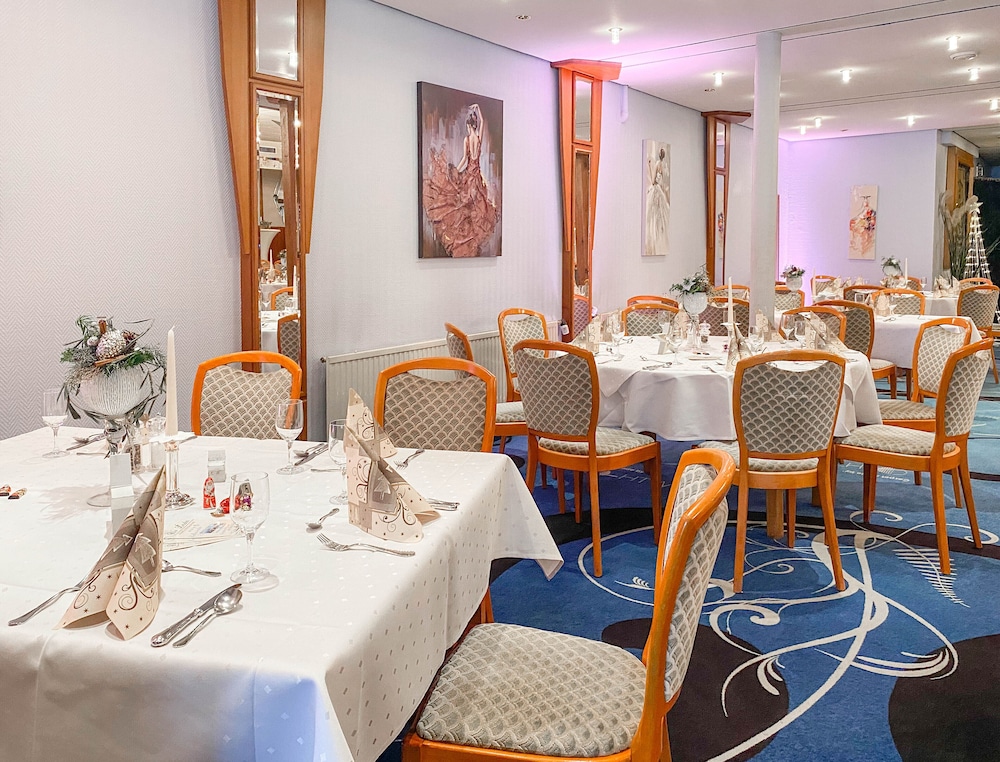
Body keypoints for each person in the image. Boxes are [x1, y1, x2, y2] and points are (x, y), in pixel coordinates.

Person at [422, 103, 501, 258]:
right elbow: (482, 123)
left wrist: (456, 171)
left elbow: (465, 159)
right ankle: (470, 241)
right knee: (475, 209)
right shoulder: (478, 138)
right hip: (477, 176)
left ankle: (464, 240)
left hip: (469, 175)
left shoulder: (467, 140)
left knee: (463, 207)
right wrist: (478, 108)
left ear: (468, 125)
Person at [645, 146, 670, 256]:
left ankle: (654, 236)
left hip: (656, 189)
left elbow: (653, 181)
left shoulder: (657, 164)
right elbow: (662, 181)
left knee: (652, 213)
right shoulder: (663, 166)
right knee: (660, 213)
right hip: (660, 189)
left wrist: (649, 167)